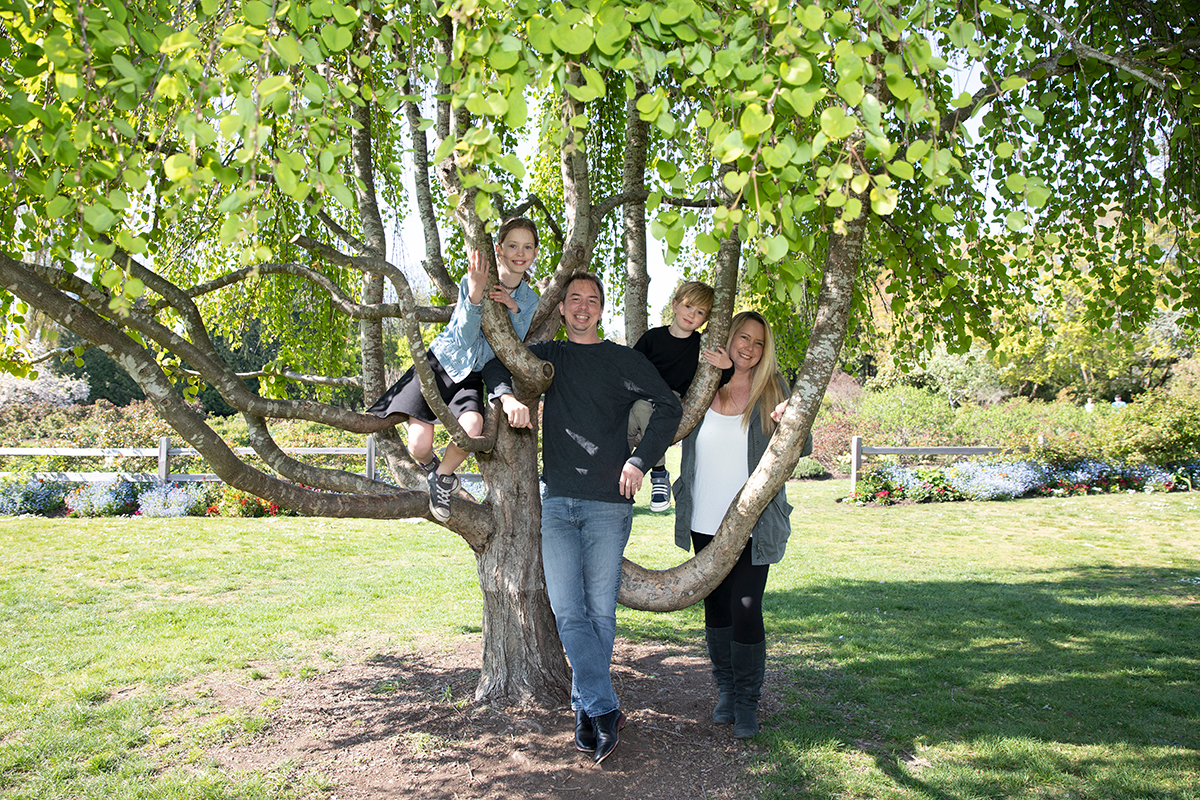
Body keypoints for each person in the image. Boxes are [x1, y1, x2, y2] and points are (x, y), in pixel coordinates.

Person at [482, 272, 682, 763]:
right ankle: (603, 707)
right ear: (564, 307)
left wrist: (639, 461)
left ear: (601, 308)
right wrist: (508, 398)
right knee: (569, 611)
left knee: (600, 615)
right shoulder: (551, 357)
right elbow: (493, 364)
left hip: (609, 506)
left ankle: (586, 709)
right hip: (558, 502)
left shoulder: (623, 360)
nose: (583, 307)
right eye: (575, 299)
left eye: (592, 300)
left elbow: (668, 406)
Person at [673, 310, 807, 738]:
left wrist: (791, 421)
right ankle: (726, 691)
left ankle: (748, 701)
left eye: (759, 343)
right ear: (728, 338)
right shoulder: (704, 383)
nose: (748, 348)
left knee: (746, 608)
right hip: (703, 517)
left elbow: (800, 450)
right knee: (715, 607)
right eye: (743, 337)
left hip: (753, 521)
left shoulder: (773, 389)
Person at [367, 217, 541, 522]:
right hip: (442, 362)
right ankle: (432, 469)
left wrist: (513, 308)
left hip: (471, 375)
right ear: (499, 249)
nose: (519, 252)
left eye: (527, 247)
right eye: (512, 245)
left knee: (472, 427)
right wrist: (475, 294)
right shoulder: (471, 280)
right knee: (419, 447)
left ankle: (444, 476)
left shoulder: (530, 299)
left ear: (535, 253)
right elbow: (462, 337)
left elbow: (512, 347)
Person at [628, 281, 733, 512]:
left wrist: (727, 366)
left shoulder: (698, 345)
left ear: (705, 320)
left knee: (645, 409)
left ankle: (658, 473)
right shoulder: (652, 338)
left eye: (700, 312)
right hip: (641, 395)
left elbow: (716, 379)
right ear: (675, 305)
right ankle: (621, 483)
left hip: (669, 400)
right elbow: (629, 368)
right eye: (688, 306)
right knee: (625, 425)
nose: (691, 314)